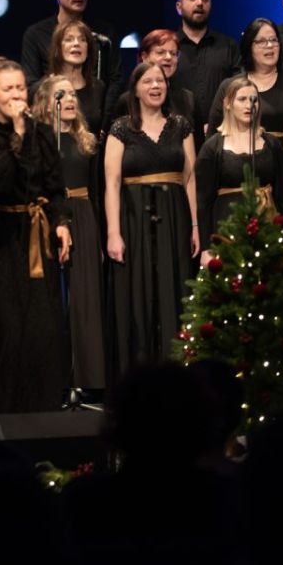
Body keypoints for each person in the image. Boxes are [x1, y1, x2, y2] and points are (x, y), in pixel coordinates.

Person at [0, 57, 73, 416]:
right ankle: (3, 413)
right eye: (7, 88)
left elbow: (54, 186)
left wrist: (62, 221)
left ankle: (44, 409)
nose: (16, 95)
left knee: (42, 328)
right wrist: (19, 137)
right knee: (6, 328)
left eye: (20, 87)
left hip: (35, 238)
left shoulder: (41, 133)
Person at [105, 62, 199, 375]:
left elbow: (190, 178)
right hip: (134, 218)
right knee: (140, 294)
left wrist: (195, 226)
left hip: (175, 216)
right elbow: (112, 183)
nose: (156, 86)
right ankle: (141, 375)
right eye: (148, 81)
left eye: (160, 80)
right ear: (136, 89)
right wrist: (113, 233)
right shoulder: (121, 128)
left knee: (176, 290)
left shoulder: (181, 125)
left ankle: (177, 371)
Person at [33, 76, 106, 393]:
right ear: (48, 103)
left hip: (84, 214)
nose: (71, 99)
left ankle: (86, 378)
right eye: (62, 94)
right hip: (49, 217)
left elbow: (98, 190)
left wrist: (102, 235)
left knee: (84, 298)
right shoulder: (38, 140)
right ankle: (53, 375)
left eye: (74, 94)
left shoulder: (86, 140)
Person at [195, 75, 283, 259]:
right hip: (226, 231)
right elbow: (204, 201)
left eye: (254, 100)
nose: (249, 105)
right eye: (242, 99)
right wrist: (206, 247)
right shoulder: (213, 147)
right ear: (227, 103)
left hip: (267, 230)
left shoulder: (271, 144)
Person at [20, 0, 121, 107]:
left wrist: (104, 123)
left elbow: (115, 80)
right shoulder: (35, 34)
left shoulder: (104, 33)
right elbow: (30, 85)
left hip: (96, 117)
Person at [207, 18, 283, 144]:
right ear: (249, 47)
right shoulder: (229, 86)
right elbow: (213, 136)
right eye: (262, 41)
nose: (270, 46)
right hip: (239, 160)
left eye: (274, 40)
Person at [172, 0, 237, 138]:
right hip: (175, 136)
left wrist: (216, 122)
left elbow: (237, 90)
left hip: (221, 134)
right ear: (179, 8)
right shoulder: (168, 48)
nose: (200, 2)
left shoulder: (228, 46)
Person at [109, 29, 197, 133]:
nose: (169, 57)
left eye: (173, 53)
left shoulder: (188, 99)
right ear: (144, 57)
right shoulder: (127, 101)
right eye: (161, 52)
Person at [37, 19, 108, 137]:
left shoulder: (98, 87)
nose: (76, 44)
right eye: (69, 39)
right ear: (57, 49)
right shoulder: (44, 87)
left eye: (82, 40)